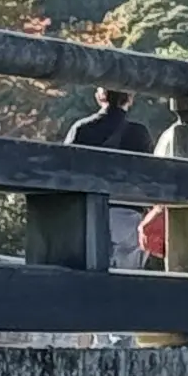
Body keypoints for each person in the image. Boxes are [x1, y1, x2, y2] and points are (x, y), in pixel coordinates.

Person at [66, 80, 154, 269]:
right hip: (127, 214)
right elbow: (149, 180)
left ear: (100, 96)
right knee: (125, 278)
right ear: (130, 98)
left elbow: (66, 174)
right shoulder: (139, 133)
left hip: (86, 213)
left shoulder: (81, 129)